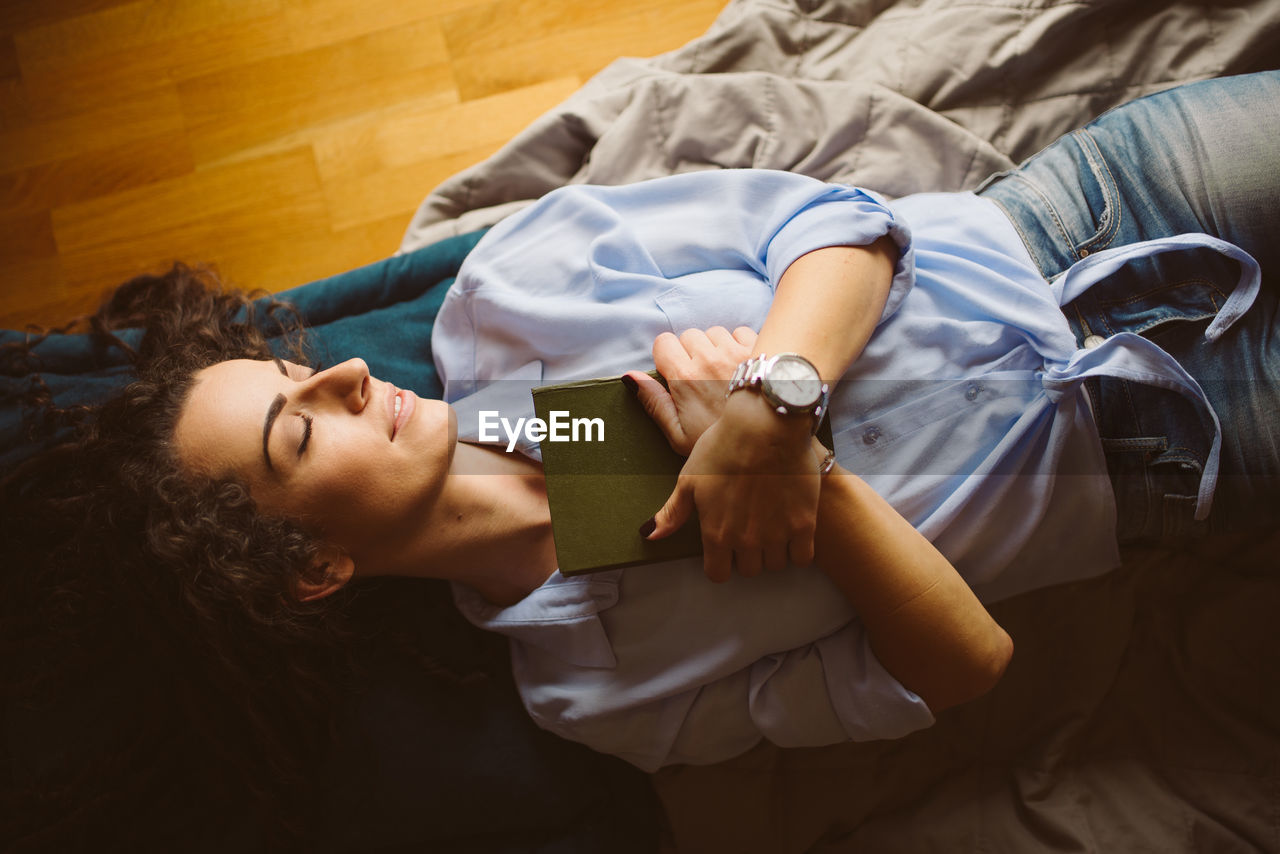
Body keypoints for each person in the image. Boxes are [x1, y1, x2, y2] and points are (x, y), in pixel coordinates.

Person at [4, 70, 1277, 797]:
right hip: (1172, 457)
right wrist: (811, 490)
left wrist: (776, 395)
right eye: (300, 431)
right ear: (312, 566)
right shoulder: (593, 691)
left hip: (1104, 206)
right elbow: (959, 668)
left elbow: (837, 221)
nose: (346, 370)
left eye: (299, 364)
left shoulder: (511, 293)